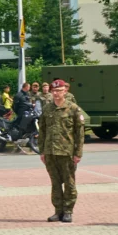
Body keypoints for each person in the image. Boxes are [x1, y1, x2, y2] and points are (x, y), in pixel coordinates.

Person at [39, 79, 84, 223]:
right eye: (54, 91)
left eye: (59, 91)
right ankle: (58, 211)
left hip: (67, 153)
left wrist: (78, 153)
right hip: (50, 152)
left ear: (65, 91)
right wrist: (42, 151)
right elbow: (42, 131)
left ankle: (68, 211)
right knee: (55, 183)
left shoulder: (73, 109)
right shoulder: (47, 109)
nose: (56, 93)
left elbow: (79, 133)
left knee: (69, 183)